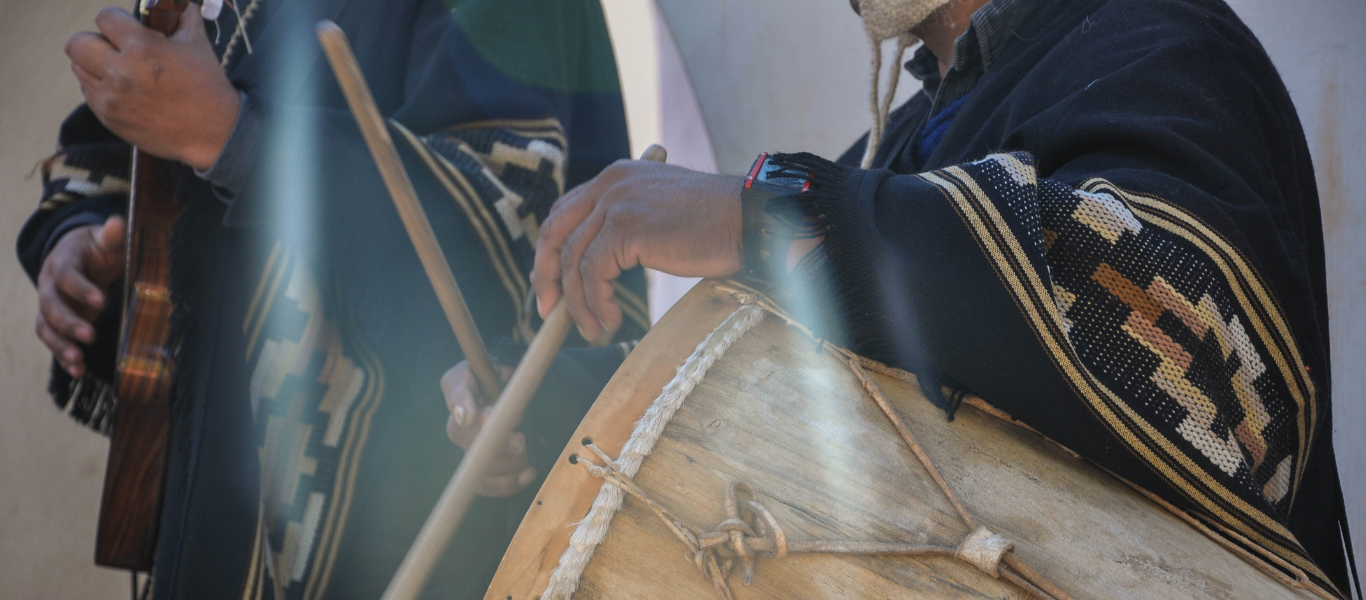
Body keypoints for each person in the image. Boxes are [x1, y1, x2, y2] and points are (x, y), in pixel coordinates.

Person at [489, 0, 1358, 595]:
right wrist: (529, 411)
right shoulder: (896, 143)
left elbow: (1203, 372)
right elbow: (783, 406)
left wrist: (769, 214)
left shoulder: (1158, 39)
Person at [15, 0, 649, 598]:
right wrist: (79, 240)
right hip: (210, 488)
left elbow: (518, 239)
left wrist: (229, 134)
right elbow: (114, 134)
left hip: (396, 520)